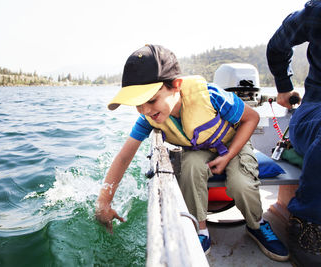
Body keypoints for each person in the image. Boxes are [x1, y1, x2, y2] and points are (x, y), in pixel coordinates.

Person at [95, 44, 289, 261]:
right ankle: (200, 230)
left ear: (176, 85)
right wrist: (104, 201)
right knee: (190, 168)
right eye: (138, 105)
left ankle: (257, 224)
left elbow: (251, 118)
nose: (146, 111)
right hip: (199, 150)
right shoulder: (148, 118)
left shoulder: (211, 95)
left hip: (233, 144)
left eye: (151, 100)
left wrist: (228, 155)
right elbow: (124, 156)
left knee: (241, 183)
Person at [267, 1, 321, 265]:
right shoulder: (317, 13)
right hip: (314, 113)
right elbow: (278, 45)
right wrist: (284, 86)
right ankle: (307, 224)